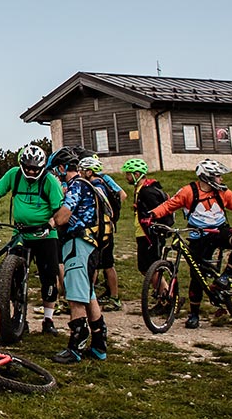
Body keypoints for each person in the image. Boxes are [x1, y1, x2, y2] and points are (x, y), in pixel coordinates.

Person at [145, 158, 232, 329]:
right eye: (218, 176)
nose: (221, 179)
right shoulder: (188, 191)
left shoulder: (222, 192)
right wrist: (151, 215)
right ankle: (194, 314)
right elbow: (169, 205)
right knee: (197, 275)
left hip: (219, 231)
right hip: (198, 236)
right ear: (207, 177)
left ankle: (225, 278)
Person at [0, 143, 68, 334]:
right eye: (27, 168)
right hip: (21, 233)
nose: (31, 172)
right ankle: (18, 317)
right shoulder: (14, 174)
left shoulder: (50, 181)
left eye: (35, 169)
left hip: (45, 234)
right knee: (12, 275)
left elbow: (60, 211)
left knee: (48, 277)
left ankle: (48, 320)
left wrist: (50, 224)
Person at [51, 152, 109, 363]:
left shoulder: (77, 185)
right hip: (94, 243)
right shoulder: (95, 186)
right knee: (89, 293)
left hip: (78, 242)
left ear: (63, 168)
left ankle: (75, 346)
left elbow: (65, 213)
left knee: (75, 297)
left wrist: (51, 222)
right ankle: (99, 344)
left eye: (56, 169)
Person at [82, 156, 125, 310]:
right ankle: (113, 297)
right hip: (108, 227)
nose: (80, 173)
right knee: (108, 264)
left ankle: (90, 297)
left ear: (89, 172)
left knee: (96, 264)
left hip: (100, 230)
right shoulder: (104, 182)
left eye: (82, 170)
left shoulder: (95, 186)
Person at [123, 158, 172, 276]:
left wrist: (154, 229)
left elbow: (159, 212)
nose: (126, 177)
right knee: (144, 268)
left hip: (149, 235)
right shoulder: (139, 190)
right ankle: (161, 291)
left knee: (151, 268)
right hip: (141, 233)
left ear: (137, 174)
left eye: (128, 174)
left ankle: (164, 292)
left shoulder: (147, 192)